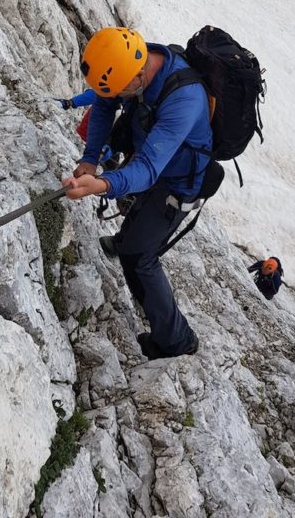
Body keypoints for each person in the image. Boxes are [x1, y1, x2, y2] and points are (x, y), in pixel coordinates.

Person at [62, 26, 212, 359]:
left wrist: (102, 184)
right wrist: (90, 159)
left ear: (138, 77)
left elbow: (147, 170)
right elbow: (103, 107)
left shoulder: (184, 99)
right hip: (154, 158)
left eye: (122, 93)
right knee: (137, 213)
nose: (119, 98)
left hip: (177, 183)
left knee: (140, 258)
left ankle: (177, 339)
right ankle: (123, 239)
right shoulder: (132, 67)